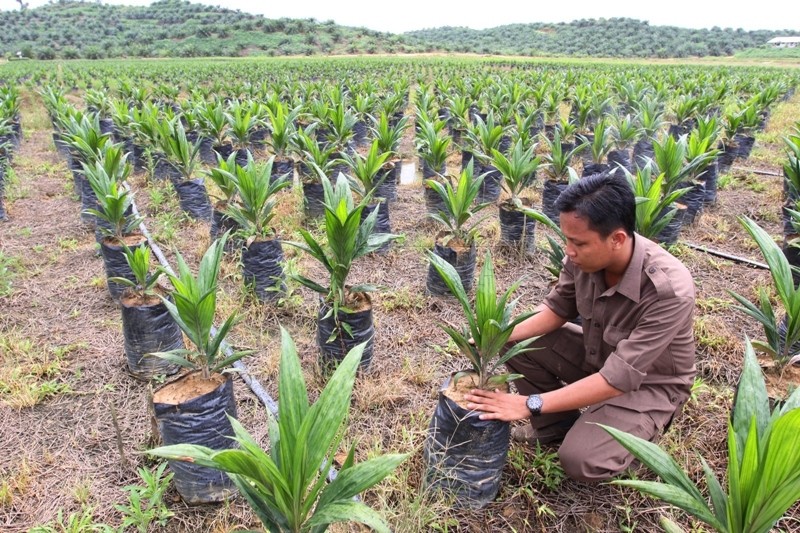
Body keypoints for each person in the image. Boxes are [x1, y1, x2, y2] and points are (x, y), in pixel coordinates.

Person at [464, 172, 696, 482]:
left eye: (578, 242)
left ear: (617, 239)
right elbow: (556, 310)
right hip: (599, 357)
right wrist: (494, 337)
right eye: (566, 240)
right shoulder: (583, 258)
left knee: (581, 461)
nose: (569, 251)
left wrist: (528, 404)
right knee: (517, 340)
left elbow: (620, 377)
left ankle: (636, 440)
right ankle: (556, 425)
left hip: (648, 384)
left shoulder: (668, 289)